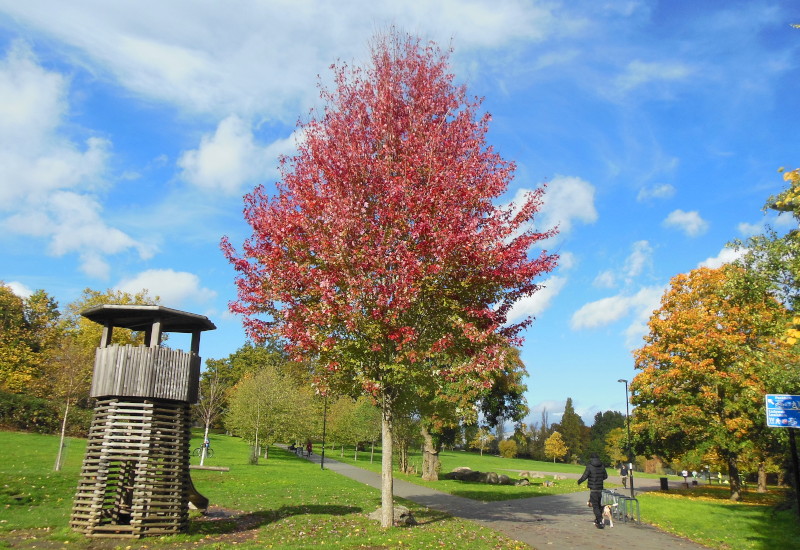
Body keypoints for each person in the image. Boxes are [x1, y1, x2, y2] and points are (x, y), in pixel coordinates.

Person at [578, 453, 608, 529]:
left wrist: (579, 481)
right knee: (599, 505)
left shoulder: (590, 466)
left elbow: (585, 476)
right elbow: (605, 476)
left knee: (595, 506)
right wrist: (600, 479)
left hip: (593, 489)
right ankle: (598, 519)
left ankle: (600, 521)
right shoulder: (602, 465)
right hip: (600, 488)